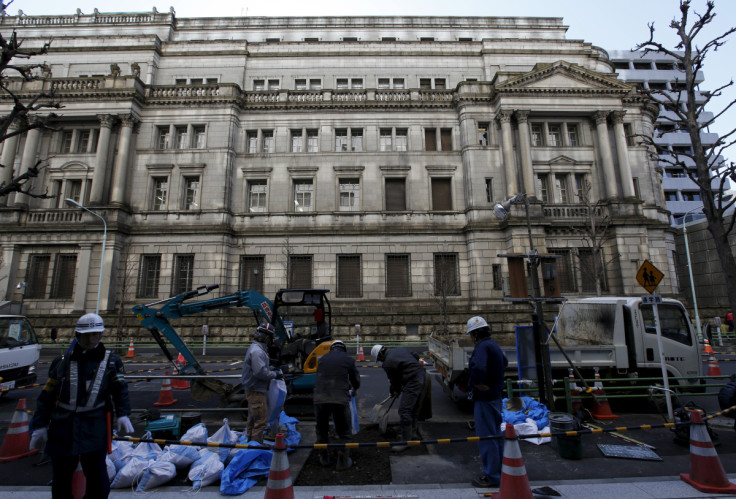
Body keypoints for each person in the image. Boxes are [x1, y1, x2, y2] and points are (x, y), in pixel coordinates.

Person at [29, 313, 133, 499]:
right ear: (77, 335)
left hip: (94, 426)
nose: (92, 339)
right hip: (63, 426)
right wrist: (39, 424)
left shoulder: (111, 362)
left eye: (96, 335)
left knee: (97, 478)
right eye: (87, 335)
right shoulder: (61, 362)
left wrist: (123, 414)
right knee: (61, 479)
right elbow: (47, 396)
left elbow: (120, 390)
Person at [466, 316, 508, 488]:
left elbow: (479, 367)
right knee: (496, 435)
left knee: (487, 437)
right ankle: (502, 472)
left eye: (471, 334)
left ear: (475, 334)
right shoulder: (494, 345)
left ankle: (492, 476)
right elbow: (504, 362)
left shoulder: (482, 347)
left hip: (485, 398)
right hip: (495, 395)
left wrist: (477, 383)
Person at [313, 340, 360, 469]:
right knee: (344, 431)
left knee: (322, 429)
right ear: (343, 349)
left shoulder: (322, 359)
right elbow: (355, 378)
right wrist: (355, 389)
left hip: (320, 398)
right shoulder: (348, 359)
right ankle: (342, 461)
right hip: (339, 399)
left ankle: (324, 458)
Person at [371, 343, 426, 452]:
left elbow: (394, 381)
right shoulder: (398, 349)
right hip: (421, 376)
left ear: (381, 355)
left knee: (404, 410)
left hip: (413, 381)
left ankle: (405, 441)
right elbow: (415, 355)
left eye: (379, 359)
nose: (381, 361)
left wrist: (395, 390)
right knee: (412, 408)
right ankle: (412, 433)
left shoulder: (388, 363)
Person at [242, 322, 282, 444]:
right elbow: (260, 372)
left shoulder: (256, 348)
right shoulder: (258, 351)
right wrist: (275, 374)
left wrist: (271, 368)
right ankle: (256, 447)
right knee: (260, 421)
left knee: (252, 419)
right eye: (270, 337)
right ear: (265, 337)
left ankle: (248, 443)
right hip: (256, 390)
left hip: (253, 389)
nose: (271, 340)